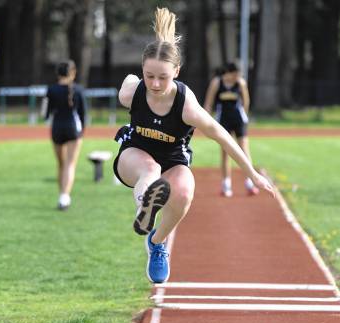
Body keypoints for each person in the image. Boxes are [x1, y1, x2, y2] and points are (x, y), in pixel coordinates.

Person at [113, 7, 274, 284]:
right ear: (142, 70)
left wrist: (252, 174)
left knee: (185, 193)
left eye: (162, 77)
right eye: (149, 75)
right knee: (149, 170)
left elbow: (224, 136)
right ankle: (144, 209)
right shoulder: (132, 91)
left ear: (176, 71)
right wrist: (132, 81)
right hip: (134, 155)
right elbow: (129, 83)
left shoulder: (186, 105)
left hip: (174, 160)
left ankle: (157, 242)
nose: (154, 83)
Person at [203, 61, 259, 197]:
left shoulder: (241, 83)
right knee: (225, 152)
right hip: (223, 121)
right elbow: (208, 103)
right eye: (235, 74)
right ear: (228, 73)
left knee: (244, 150)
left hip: (238, 120)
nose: (237, 77)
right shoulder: (217, 83)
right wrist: (205, 121)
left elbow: (246, 101)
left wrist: (244, 116)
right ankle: (226, 185)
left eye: (238, 75)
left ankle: (250, 183)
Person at [45, 60, 86, 211]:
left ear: (58, 74)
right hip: (73, 129)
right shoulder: (79, 90)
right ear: (73, 73)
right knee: (70, 164)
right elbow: (83, 114)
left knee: (61, 164)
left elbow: (46, 113)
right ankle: (64, 197)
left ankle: (61, 195)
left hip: (56, 128)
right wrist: (81, 133)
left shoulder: (51, 89)